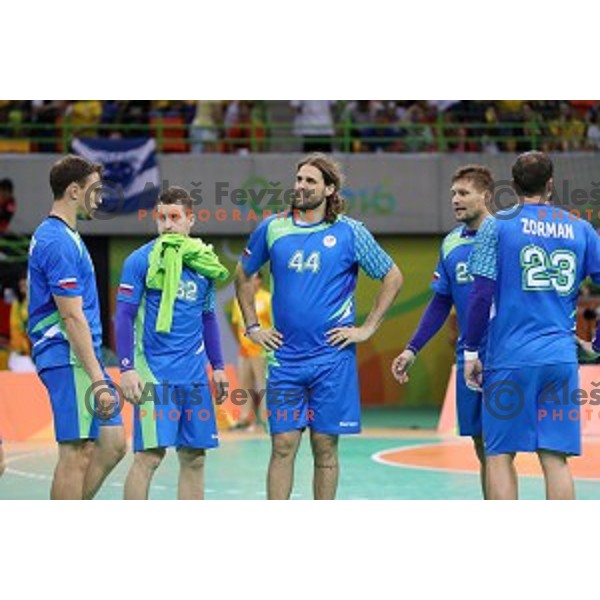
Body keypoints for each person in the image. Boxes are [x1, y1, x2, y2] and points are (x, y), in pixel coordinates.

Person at [235, 153, 403, 500]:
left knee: (325, 447)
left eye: (310, 180)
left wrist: (367, 328)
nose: (301, 185)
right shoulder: (272, 228)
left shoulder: (350, 232)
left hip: (333, 360)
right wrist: (253, 327)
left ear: (329, 189)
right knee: (282, 445)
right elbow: (242, 275)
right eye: (298, 178)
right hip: (285, 359)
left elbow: (392, 276)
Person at [464, 151, 600, 500]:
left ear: (513, 184)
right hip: (559, 359)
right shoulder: (582, 229)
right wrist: (597, 343)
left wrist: (471, 351)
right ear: (550, 184)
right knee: (555, 459)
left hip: (510, 358)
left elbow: (480, 296)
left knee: (498, 456)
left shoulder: (496, 225)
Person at [116, 186, 229, 500]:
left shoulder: (205, 263)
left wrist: (218, 367)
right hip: (155, 372)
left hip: (193, 374)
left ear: (190, 220)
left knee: (195, 457)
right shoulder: (141, 261)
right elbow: (123, 317)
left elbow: (208, 318)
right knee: (149, 456)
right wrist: (126, 368)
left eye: (174, 217)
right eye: (161, 218)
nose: (167, 224)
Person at [27, 155, 126, 500]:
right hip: (66, 354)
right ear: (73, 190)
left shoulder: (67, 235)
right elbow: (71, 316)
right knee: (77, 451)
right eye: (94, 190)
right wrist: (99, 378)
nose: (99, 198)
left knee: (113, 443)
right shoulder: (56, 241)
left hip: (82, 354)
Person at [391, 165, 493, 497]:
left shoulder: (506, 236)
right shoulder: (450, 243)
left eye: (463, 193)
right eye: (452, 194)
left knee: (501, 445)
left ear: (486, 196)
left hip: (508, 353)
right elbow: (439, 304)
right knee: (482, 445)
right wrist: (411, 348)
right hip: (469, 357)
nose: (455, 200)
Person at [230, 271, 272, 430]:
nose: (251, 282)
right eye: (249, 279)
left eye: (254, 279)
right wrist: (241, 342)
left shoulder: (267, 298)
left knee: (262, 386)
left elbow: (273, 324)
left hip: (261, 350)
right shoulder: (238, 299)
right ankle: (245, 418)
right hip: (244, 350)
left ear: (260, 281)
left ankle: (265, 420)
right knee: (244, 385)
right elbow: (236, 324)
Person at [8, 271, 35, 372]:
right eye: (21, 285)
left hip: (38, 351)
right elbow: (15, 328)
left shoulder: (39, 304)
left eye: (26, 284)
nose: (23, 287)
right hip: (21, 354)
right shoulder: (17, 305)